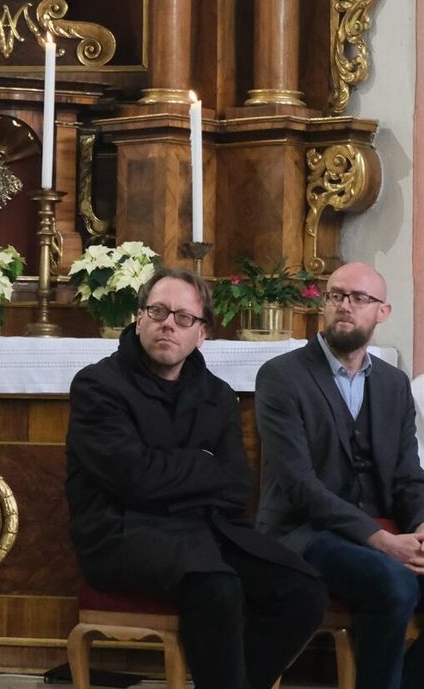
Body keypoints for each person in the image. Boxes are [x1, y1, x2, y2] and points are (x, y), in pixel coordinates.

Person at [66, 268, 327, 689]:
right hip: (121, 533)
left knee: (303, 591)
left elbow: (236, 485)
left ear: (201, 333)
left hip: (206, 530)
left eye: (184, 317)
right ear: (139, 318)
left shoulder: (217, 394)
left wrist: (169, 471)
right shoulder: (99, 386)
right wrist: (202, 465)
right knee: (217, 588)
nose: (168, 324)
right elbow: (132, 479)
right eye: (158, 311)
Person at [256, 262, 424, 689]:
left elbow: (408, 476)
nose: (344, 305)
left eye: (359, 298)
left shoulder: (393, 384)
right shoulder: (282, 376)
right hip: (303, 531)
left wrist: (422, 527)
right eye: (336, 295)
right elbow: (299, 484)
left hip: (379, 527)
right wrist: (381, 540)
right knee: (394, 583)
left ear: (382, 312)